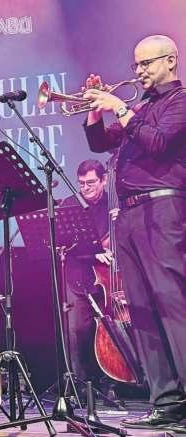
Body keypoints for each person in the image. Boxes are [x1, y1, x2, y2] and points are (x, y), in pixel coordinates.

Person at [83, 34, 185, 431]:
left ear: (170, 61)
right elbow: (99, 143)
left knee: (172, 306)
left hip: (162, 209)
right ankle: (166, 402)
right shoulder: (142, 106)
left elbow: (157, 143)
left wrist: (121, 107)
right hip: (127, 215)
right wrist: (95, 110)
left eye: (147, 63)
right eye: (136, 65)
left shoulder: (179, 101)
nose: (139, 71)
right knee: (142, 311)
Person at [59, 160, 111, 387]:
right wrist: (94, 253)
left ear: (104, 180)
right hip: (79, 276)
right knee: (78, 330)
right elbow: (65, 244)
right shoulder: (70, 204)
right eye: (81, 184)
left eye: (91, 183)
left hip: (110, 278)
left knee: (112, 329)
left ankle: (115, 381)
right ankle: (83, 384)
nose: (85, 188)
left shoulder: (114, 204)